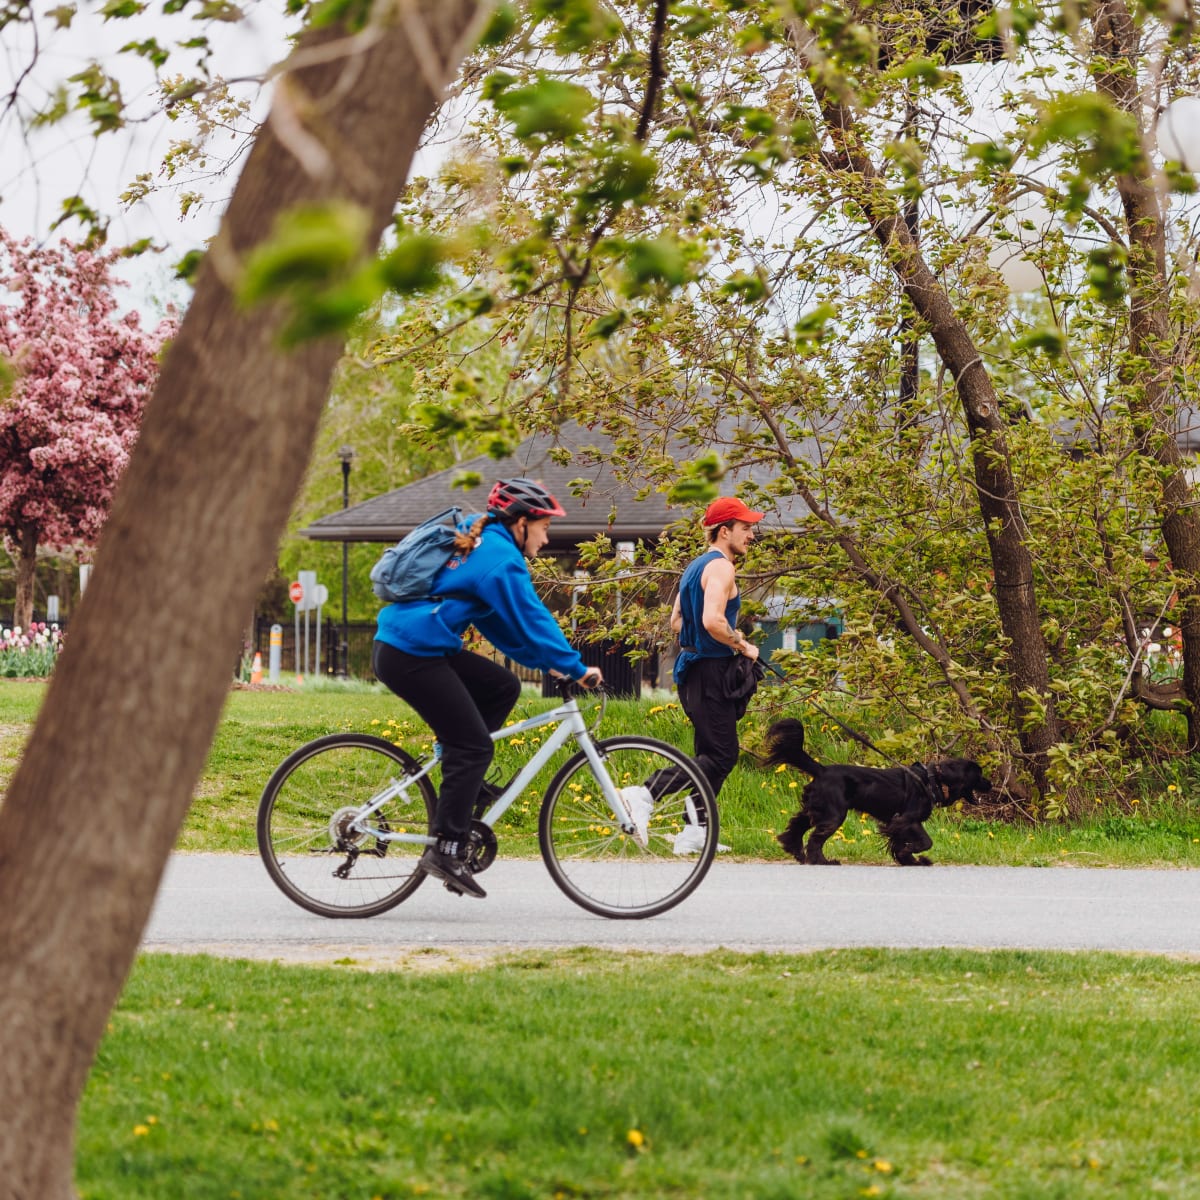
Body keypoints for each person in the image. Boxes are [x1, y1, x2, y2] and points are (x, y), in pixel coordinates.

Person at [373, 478, 603, 898]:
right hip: (412, 654)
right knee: (474, 746)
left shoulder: (489, 544)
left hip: (415, 645)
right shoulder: (501, 558)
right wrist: (573, 665)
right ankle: (445, 849)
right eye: (544, 527)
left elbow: (499, 624)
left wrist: (546, 661)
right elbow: (532, 617)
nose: (547, 538)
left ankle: (466, 781)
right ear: (521, 522)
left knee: (501, 686)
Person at [667, 495, 764, 853]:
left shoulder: (694, 567)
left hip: (691, 669)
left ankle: (695, 830)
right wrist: (742, 646)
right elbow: (712, 620)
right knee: (723, 755)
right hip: (710, 671)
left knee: (710, 751)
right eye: (746, 528)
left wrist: (698, 645)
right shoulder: (722, 567)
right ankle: (644, 792)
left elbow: (676, 621)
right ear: (725, 531)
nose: (751, 535)